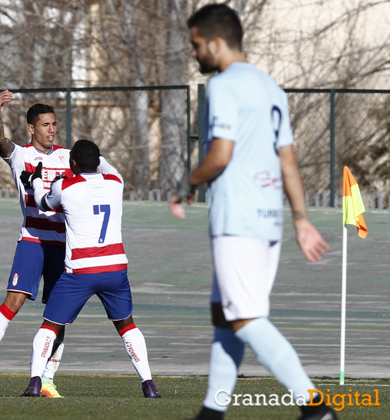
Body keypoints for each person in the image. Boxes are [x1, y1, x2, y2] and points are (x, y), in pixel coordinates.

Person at [169, 4, 334, 420]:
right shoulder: (270, 87)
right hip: (267, 220)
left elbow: (220, 155)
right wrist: (301, 219)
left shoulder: (224, 85)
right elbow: (289, 162)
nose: (194, 53)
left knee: (245, 319)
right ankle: (212, 410)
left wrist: (187, 183)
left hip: (237, 219)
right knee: (224, 315)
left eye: (195, 45)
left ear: (216, 43)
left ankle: (317, 409)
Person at [18, 139, 162, 398]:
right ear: (97, 161)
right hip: (115, 267)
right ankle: (148, 384)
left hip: (80, 270)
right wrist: (93, 157)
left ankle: (35, 383)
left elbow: (43, 203)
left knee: (49, 326)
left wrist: (36, 180)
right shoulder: (116, 182)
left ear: (73, 163)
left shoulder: (66, 186)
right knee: (127, 325)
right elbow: (104, 165)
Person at [0, 91, 72, 398]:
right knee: (13, 301)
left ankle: (48, 378)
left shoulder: (67, 157)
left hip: (63, 244)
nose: (51, 129)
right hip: (32, 241)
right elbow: (0, 141)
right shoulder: (21, 155)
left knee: (58, 313)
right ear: (31, 128)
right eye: (45, 125)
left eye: (54, 124)